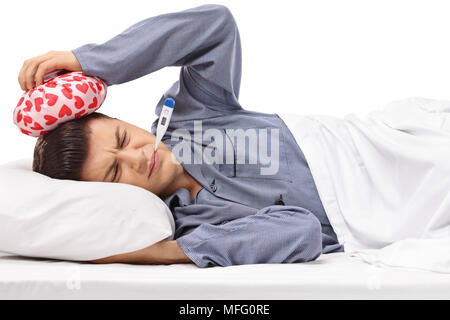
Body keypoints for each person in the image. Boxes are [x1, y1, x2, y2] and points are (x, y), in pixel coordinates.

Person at [18, 4, 345, 267]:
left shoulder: (191, 115)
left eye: (122, 139)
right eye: (115, 173)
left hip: (365, 143)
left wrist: (93, 62)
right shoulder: (193, 226)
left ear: (121, 120)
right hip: (373, 214)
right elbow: (303, 231)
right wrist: (166, 252)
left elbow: (216, 26)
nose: (139, 156)